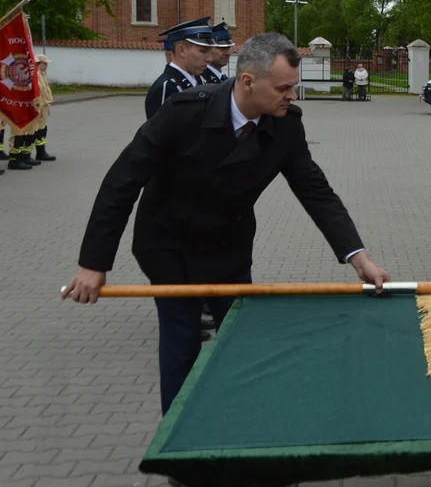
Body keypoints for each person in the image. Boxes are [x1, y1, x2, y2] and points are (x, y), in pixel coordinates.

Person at [63, 33, 391, 420]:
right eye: (284, 88)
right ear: (248, 81)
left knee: (243, 342)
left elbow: (316, 192)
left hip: (228, 249)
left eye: (294, 87)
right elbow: (121, 182)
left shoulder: (285, 126)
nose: (292, 96)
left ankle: (244, 434)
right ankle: (181, 449)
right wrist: (93, 263)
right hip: (170, 249)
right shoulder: (184, 112)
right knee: (181, 342)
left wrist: (359, 257)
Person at [146, 18, 214, 120]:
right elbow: (161, 134)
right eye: (203, 51)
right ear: (181, 50)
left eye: (210, 52)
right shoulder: (167, 87)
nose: (210, 59)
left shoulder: (199, 80)